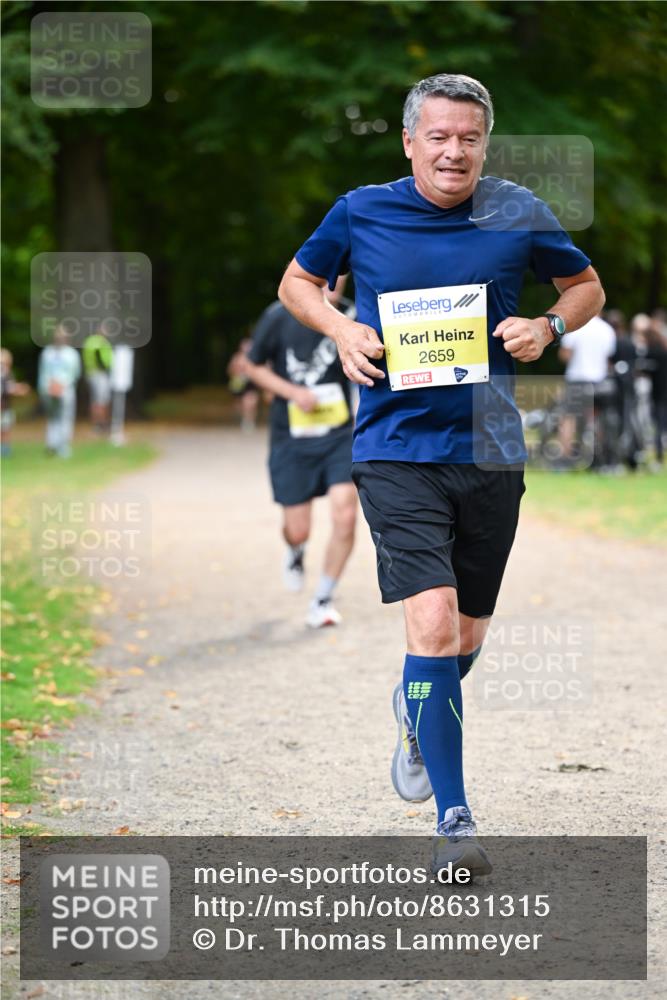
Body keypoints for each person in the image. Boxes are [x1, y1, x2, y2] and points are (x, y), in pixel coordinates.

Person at [278, 73, 604, 871]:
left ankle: (417, 706)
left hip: (490, 450)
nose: (453, 151)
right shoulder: (361, 210)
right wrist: (341, 329)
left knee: (463, 635)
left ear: (484, 144)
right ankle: (454, 821)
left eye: (468, 138)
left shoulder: (517, 210)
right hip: (394, 449)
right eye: (438, 136)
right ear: (408, 142)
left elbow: (585, 287)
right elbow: (296, 283)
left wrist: (547, 325)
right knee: (429, 620)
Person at [244, 276, 358, 629]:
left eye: (339, 278)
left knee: (345, 515)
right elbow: (252, 366)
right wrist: (292, 392)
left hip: (340, 435)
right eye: (325, 278)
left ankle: (323, 598)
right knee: (298, 529)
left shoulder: (355, 316)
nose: (332, 286)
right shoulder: (278, 315)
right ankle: (295, 550)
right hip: (292, 437)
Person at [558, 313, 617, 470]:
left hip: (577, 379)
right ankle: (600, 458)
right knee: (599, 418)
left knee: (569, 418)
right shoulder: (607, 329)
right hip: (599, 381)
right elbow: (608, 357)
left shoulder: (575, 325)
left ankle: (565, 459)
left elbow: (565, 354)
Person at [38, 325, 81, 458]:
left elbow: (74, 373)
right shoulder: (47, 353)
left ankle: (63, 445)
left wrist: (61, 385)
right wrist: (47, 388)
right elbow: (43, 373)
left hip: (65, 390)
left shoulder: (71, 354)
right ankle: (53, 444)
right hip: (49, 390)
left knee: (64, 417)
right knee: (54, 417)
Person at [83, 325, 113, 434]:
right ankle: (100, 424)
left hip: (95, 374)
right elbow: (98, 357)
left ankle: (101, 424)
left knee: (99, 400)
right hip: (98, 373)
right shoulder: (98, 342)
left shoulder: (91, 341)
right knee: (99, 401)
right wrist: (104, 367)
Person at [227, 337, 260, 432]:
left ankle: (249, 421)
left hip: (251, 384)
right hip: (239, 383)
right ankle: (244, 417)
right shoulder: (237, 357)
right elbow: (230, 370)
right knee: (240, 404)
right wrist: (237, 373)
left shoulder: (255, 357)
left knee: (251, 402)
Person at [1, 349, 30, 457]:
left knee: (5, 430)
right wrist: (19, 389)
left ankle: (5, 450)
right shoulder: (3, 375)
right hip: (2, 408)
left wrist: (19, 389)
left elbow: (9, 387)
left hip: (5, 408)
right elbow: (9, 388)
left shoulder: (8, 374)